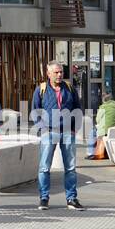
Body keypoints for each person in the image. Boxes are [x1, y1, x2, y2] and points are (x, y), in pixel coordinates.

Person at [30, 61, 85, 210]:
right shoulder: (41, 89)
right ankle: (44, 198)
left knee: (71, 168)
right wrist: (43, 129)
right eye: (56, 72)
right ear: (48, 74)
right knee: (44, 168)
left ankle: (72, 198)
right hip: (49, 133)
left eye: (61, 72)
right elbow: (35, 112)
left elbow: (78, 109)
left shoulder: (69, 88)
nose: (60, 75)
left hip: (68, 132)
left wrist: (74, 129)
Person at [86, 92, 115, 160]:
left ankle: (91, 153)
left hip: (106, 131)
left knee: (93, 132)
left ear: (103, 100)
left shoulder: (103, 107)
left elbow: (97, 120)